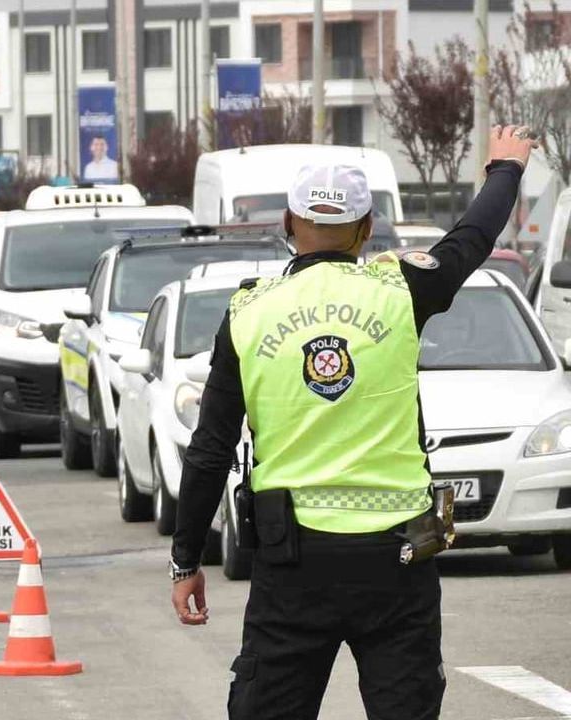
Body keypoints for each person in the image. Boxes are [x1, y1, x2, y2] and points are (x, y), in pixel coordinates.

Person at [168, 125, 535, 720]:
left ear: (289, 224)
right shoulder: (400, 288)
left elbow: (209, 449)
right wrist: (506, 169)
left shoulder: (249, 311)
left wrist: (186, 560)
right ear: (367, 231)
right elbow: (471, 238)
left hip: (293, 564)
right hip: (398, 558)